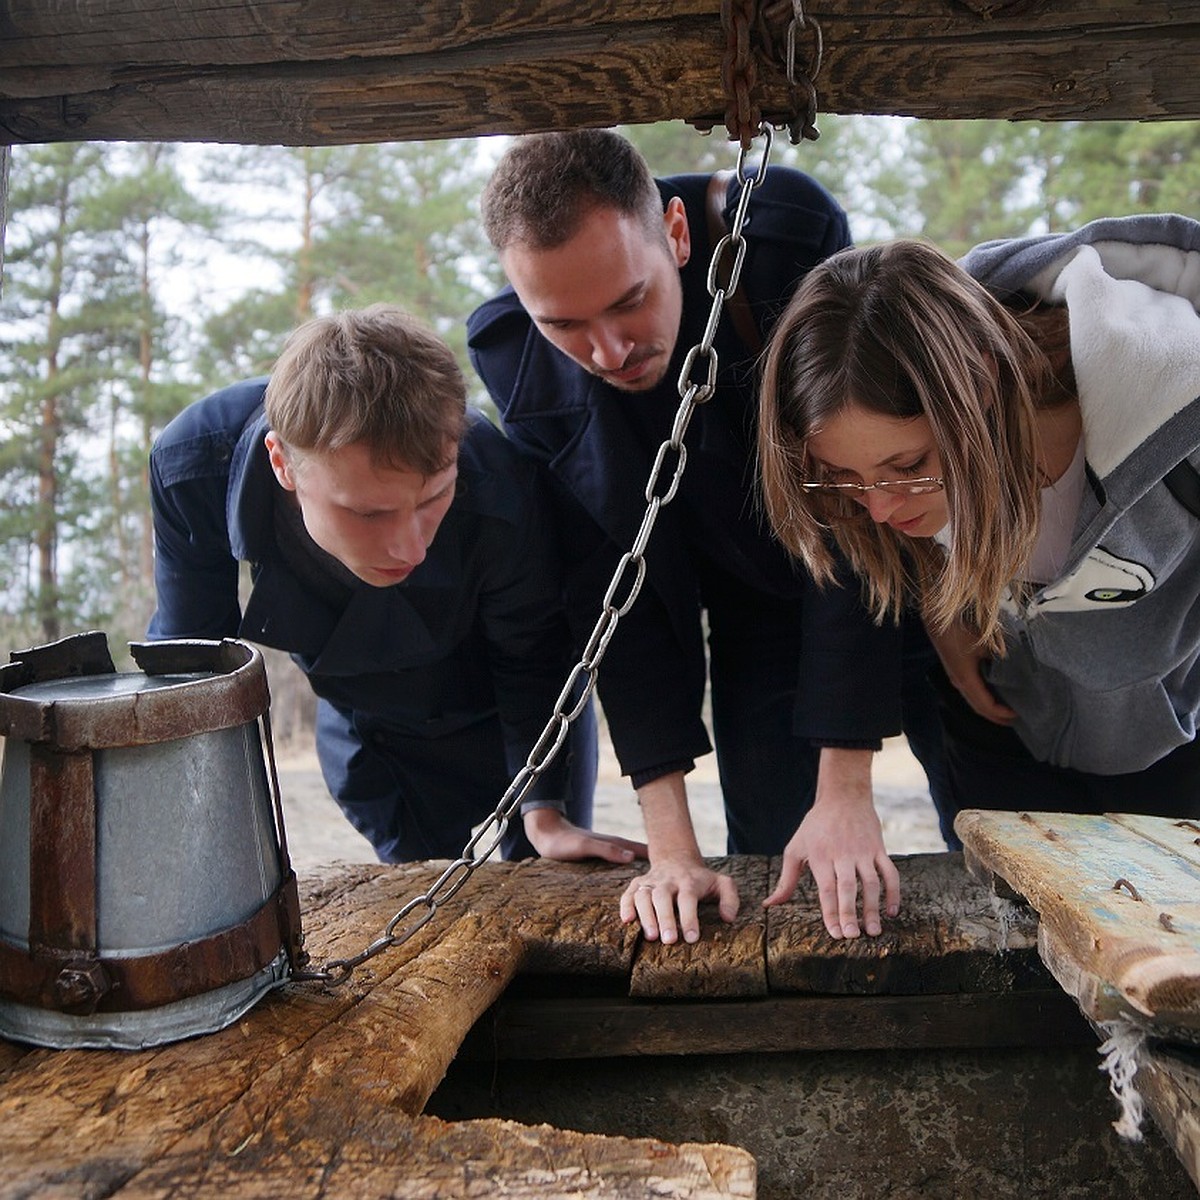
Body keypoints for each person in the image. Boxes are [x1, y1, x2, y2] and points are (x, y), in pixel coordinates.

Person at [468, 129, 953, 945]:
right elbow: (615, 599)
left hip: (875, 560)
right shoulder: (521, 367)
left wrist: (845, 791)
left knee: (985, 819)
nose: (610, 351)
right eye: (566, 325)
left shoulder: (781, 239)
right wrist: (671, 851)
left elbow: (850, 512)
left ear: (680, 234)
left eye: (629, 301)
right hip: (746, 623)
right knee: (774, 870)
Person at [149, 303, 645, 866]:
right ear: (283, 465)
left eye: (434, 499)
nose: (411, 548)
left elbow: (530, 651)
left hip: (518, 717)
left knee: (542, 874)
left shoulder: (499, 480)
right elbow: (195, 668)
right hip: (370, 730)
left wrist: (546, 813)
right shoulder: (192, 469)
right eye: (368, 514)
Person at [757, 216, 1200, 835]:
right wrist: (945, 618)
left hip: (1171, 736)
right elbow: (881, 536)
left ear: (982, 382)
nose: (879, 509)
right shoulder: (876, 489)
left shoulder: (1179, 406)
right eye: (845, 478)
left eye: (908, 466)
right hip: (998, 720)